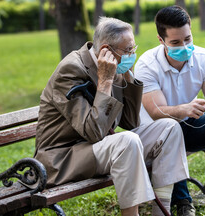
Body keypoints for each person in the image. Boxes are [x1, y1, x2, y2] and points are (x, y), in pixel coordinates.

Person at [34, 17, 189, 216]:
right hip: (64, 157)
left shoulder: (112, 63)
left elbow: (130, 121)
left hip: (100, 148)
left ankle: (162, 212)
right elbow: (94, 132)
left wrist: (128, 75)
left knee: (169, 128)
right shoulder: (70, 70)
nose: (133, 55)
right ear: (106, 49)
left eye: (134, 49)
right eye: (129, 51)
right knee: (127, 141)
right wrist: (105, 81)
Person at [134, 6, 205, 216]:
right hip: (156, 136)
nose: (185, 46)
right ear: (161, 41)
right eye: (176, 42)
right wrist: (185, 109)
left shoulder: (203, 57)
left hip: (188, 126)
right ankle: (183, 204)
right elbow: (156, 112)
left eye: (188, 39)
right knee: (170, 128)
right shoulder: (147, 65)